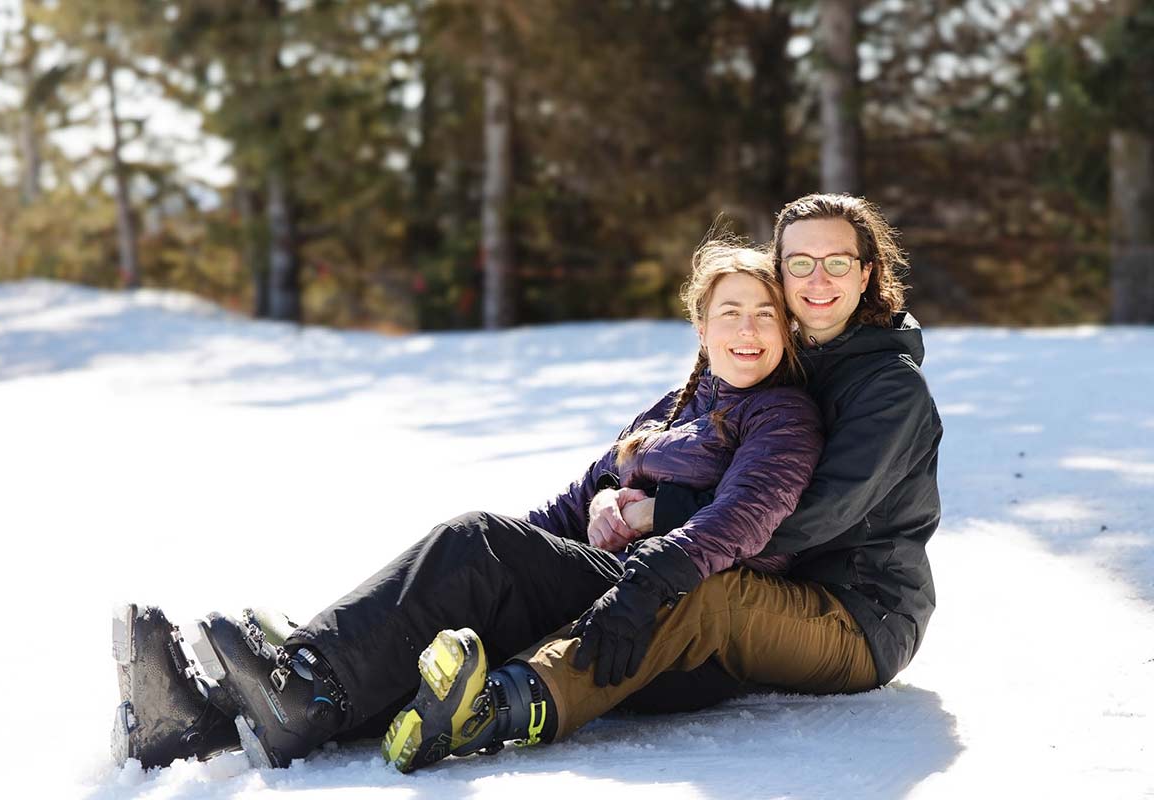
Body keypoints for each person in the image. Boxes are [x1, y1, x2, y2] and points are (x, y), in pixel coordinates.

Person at [111, 241, 824, 771]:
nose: (749, 330)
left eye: (766, 314)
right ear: (702, 327)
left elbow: (745, 521)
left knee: (476, 545)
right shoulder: (670, 411)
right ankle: (203, 721)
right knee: (468, 572)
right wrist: (523, 550)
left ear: (785, 330)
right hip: (616, 588)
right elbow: (571, 508)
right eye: (731, 312)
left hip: (663, 620)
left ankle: (307, 686)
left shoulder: (782, 415)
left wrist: (638, 527)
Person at [393, 192, 943, 767]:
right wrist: (603, 507)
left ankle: (502, 704)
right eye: (799, 262)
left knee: (694, 585)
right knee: (587, 570)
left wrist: (656, 518)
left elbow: (805, 519)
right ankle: (376, 664)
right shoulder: (781, 358)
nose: (818, 277)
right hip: (766, 581)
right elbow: (687, 459)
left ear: (867, 273)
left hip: (857, 615)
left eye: (838, 261)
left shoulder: (889, 389)